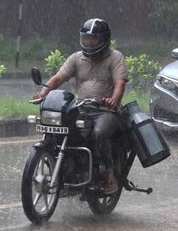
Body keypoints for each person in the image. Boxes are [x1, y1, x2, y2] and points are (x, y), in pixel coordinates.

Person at [32, 18, 128, 195]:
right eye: (86, 38)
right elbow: (59, 77)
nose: (89, 42)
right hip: (81, 108)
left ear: (103, 39)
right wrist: (44, 92)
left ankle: (110, 174)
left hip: (105, 111)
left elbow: (120, 84)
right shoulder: (77, 57)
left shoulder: (115, 57)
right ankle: (66, 170)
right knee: (58, 131)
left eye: (94, 38)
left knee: (98, 134)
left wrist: (113, 100)